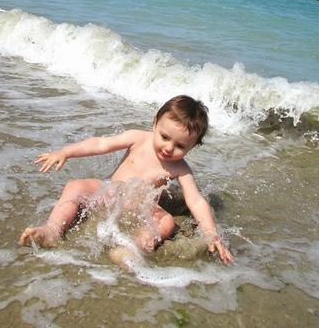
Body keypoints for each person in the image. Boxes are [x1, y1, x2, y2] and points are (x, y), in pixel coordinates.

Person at [19, 95, 234, 265]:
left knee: (167, 222)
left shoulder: (181, 168)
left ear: (193, 147)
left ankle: (132, 248)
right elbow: (101, 144)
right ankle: (53, 231)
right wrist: (66, 152)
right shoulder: (137, 138)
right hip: (110, 193)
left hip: (142, 208)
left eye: (180, 146)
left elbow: (195, 201)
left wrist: (211, 235)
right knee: (75, 186)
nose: (169, 148)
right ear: (155, 124)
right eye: (165, 137)